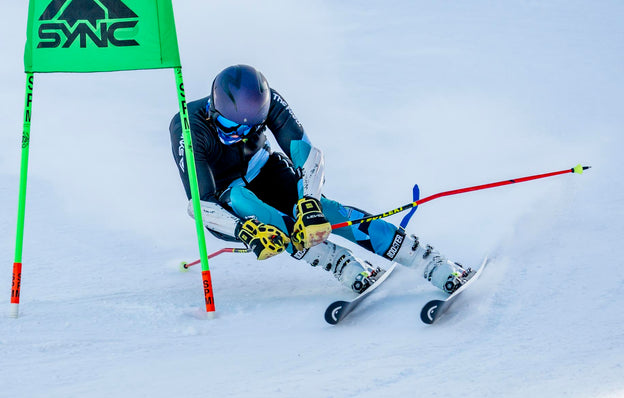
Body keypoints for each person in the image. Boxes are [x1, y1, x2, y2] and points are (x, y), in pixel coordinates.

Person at [169, 64, 475, 296]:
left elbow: (307, 155)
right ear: (213, 109)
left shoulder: (269, 101)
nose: (238, 135)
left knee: (323, 212)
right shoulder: (188, 126)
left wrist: (310, 202)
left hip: (263, 169)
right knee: (254, 209)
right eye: (228, 126)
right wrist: (242, 229)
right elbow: (200, 205)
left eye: (250, 129)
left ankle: (426, 259)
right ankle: (338, 263)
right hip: (226, 203)